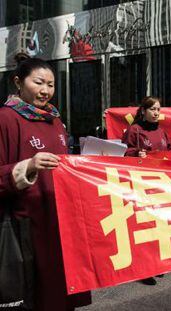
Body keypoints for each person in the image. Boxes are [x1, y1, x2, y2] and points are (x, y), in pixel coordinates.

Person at [0, 53, 91, 310]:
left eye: (50, 85)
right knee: (35, 297)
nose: (45, 91)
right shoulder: (6, 119)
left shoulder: (54, 119)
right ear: (18, 82)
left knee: (61, 294)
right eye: (38, 83)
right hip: (26, 225)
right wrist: (28, 166)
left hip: (62, 222)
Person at [122, 96, 171, 285]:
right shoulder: (134, 130)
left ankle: (156, 264)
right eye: (153, 109)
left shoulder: (161, 131)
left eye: (159, 109)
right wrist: (136, 153)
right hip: (140, 184)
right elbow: (121, 152)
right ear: (143, 111)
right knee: (144, 226)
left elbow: (170, 151)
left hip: (160, 184)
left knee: (159, 225)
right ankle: (143, 270)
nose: (156, 113)